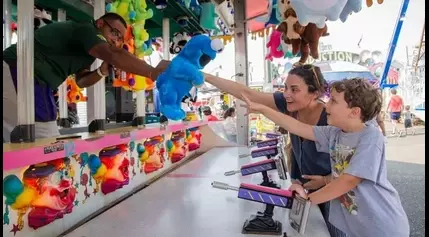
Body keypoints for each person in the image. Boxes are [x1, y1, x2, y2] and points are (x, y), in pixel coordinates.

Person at [241, 78, 409, 237]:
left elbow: (349, 180)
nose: (326, 104)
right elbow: (296, 126)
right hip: (359, 226)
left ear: (354, 112)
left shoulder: (371, 137)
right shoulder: (334, 133)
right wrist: (263, 109)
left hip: (382, 225)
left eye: (333, 101)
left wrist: (307, 200)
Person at [204, 65, 347, 237]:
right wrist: (203, 76)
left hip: (334, 192)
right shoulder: (290, 105)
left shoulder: (330, 118)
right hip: (303, 190)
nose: (287, 94)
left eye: (294, 90)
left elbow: (354, 166)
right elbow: (246, 92)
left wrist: (325, 180)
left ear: (315, 93)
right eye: (285, 88)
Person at [3, 13, 169, 142]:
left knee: (31, 132)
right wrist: (152, 72)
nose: (115, 40)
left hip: (32, 78)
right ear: (100, 24)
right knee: (44, 135)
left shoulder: (87, 52)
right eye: (114, 32)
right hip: (18, 69)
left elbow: (81, 81)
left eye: (119, 38)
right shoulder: (86, 29)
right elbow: (114, 54)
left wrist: (101, 72)